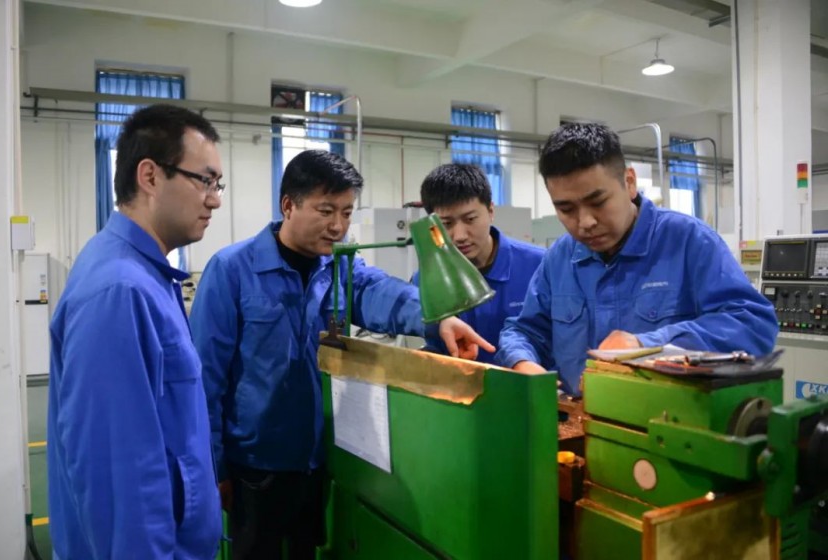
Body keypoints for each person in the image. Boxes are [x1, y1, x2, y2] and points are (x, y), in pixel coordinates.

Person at [189, 149, 492, 560]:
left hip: (316, 462)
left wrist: (438, 320)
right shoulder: (232, 270)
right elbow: (205, 379)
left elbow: (382, 293)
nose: (338, 225)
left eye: (347, 213)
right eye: (326, 210)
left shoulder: (340, 267)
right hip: (253, 466)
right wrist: (214, 467)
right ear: (288, 205)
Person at [47, 104, 225, 558]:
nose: (215, 200)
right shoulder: (119, 291)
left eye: (217, 184)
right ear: (149, 176)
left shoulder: (148, 277)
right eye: (205, 181)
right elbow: (119, 481)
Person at [495, 122, 778, 395]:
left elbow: (753, 324)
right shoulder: (559, 258)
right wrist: (522, 361)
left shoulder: (689, 241)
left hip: (670, 419)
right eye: (566, 209)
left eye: (598, 202)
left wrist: (646, 345)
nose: (586, 222)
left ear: (629, 183)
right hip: (581, 418)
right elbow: (524, 330)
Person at [412, 163, 545, 363]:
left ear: (491, 211)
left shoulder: (539, 266)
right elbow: (435, 342)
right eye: (446, 224)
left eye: (470, 219)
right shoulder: (425, 282)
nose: (460, 236)